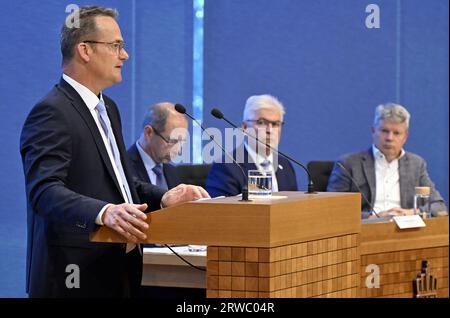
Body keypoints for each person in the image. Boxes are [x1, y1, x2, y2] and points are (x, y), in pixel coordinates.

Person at [20, 6, 209, 298]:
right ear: (84, 50)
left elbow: (123, 184)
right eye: (116, 46)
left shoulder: (108, 109)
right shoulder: (52, 111)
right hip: (74, 276)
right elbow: (43, 190)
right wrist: (103, 212)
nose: (125, 55)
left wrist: (164, 197)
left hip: (118, 269)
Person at [327, 103, 447, 219]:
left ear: (405, 137)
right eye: (384, 131)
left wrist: (412, 213)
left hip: (406, 231)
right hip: (366, 230)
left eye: (396, 133)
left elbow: (439, 206)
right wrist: (372, 218)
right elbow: (333, 209)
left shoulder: (416, 164)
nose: (390, 138)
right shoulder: (348, 164)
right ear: (373, 131)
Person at [206, 94, 298, 197]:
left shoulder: (285, 165)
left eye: (276, 124)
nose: (270, 130)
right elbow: (223, 210)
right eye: (262, 122)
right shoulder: (226, 167)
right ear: (245, 127)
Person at [128, 102, 187, 190]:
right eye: (172, 141)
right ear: (149, 133)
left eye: (181, 142)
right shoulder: (123, 168)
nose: (178, 151)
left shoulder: (172, 172)